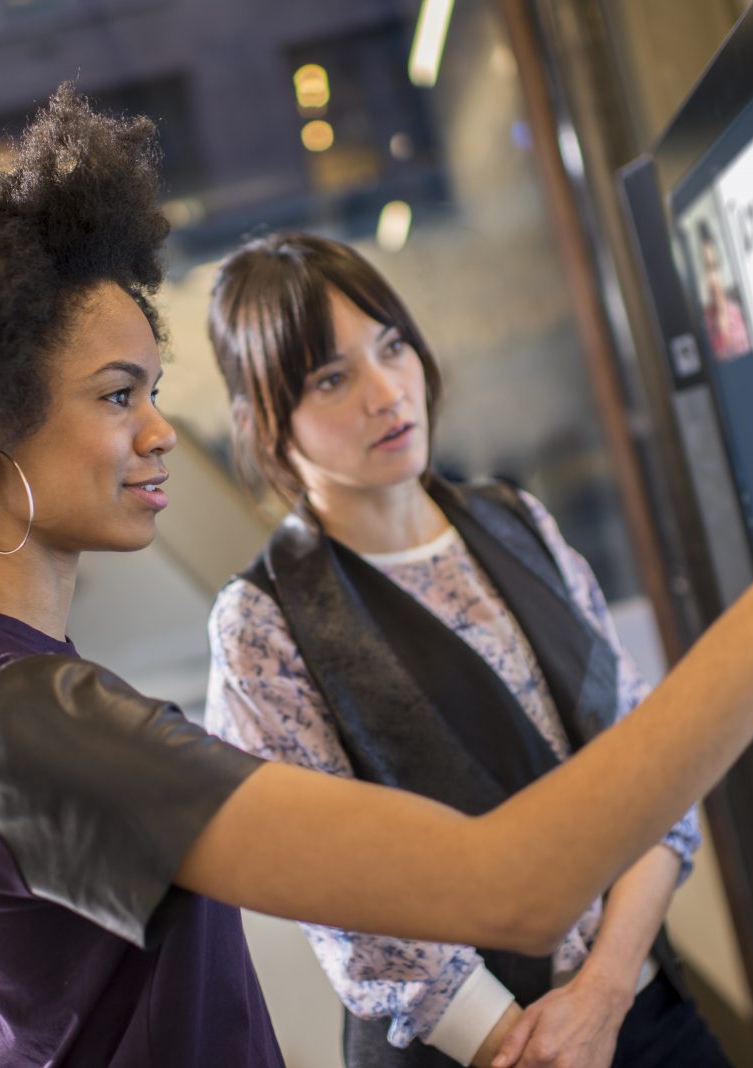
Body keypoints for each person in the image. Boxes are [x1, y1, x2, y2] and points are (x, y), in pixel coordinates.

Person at [0, 89, 753, 1068]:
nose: (161, 432)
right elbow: (514, 886)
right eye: (119, 398)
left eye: (152, 392)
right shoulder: (44, 724)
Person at [202, 233, 712, 1068]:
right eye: (332, 378)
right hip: (474, 1050)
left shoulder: (515, 519)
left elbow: (654, 772)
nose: (386, 392)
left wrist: (607, 993)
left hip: (637, 1006)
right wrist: (535, 1042)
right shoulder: (264, 623)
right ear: (267, 424)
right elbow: (348, 909)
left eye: (392, 346)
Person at [695, 220, 750, 361]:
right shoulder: (701, 325)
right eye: (706, 270)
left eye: (714, 267)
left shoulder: (738, 314)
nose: (712, 279)